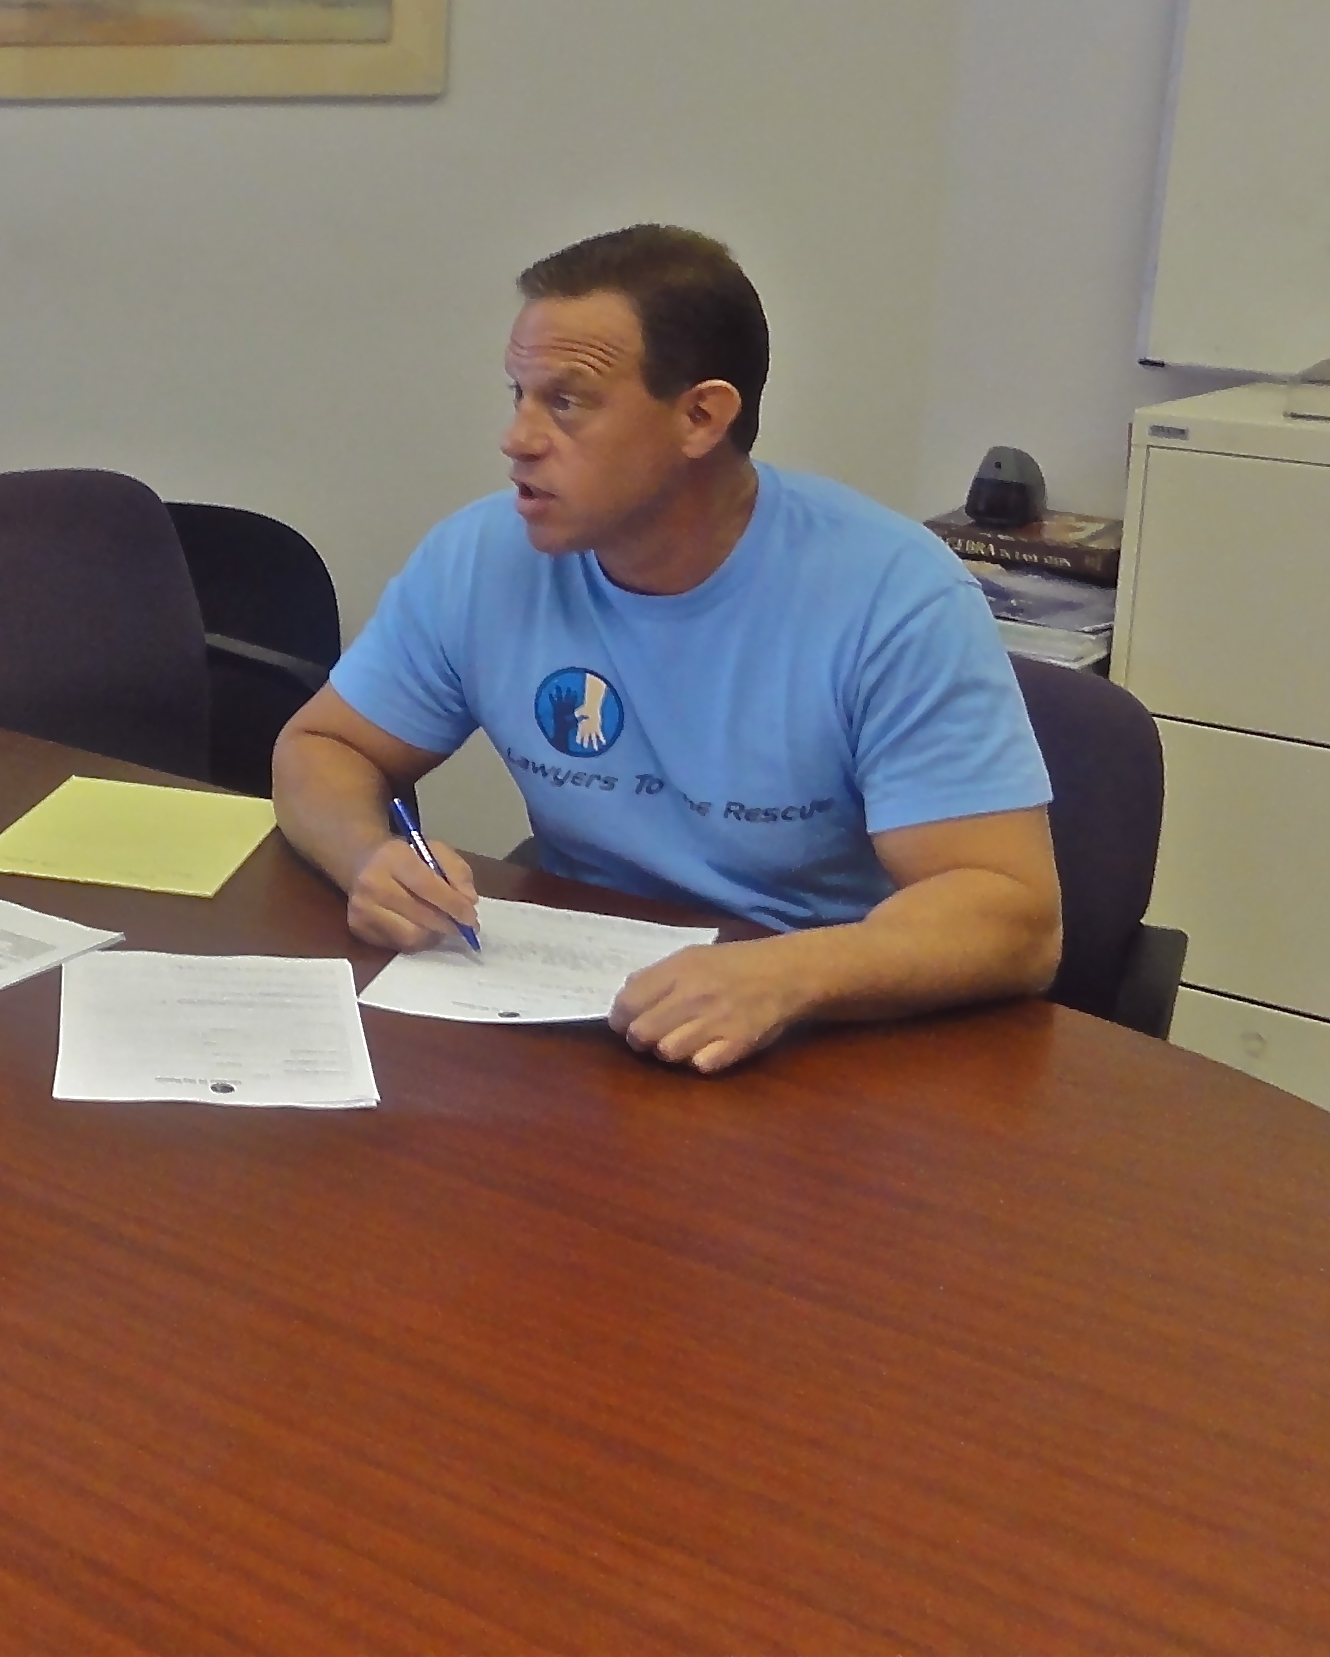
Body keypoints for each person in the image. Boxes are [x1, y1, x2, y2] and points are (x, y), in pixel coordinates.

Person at [273, 225, 1061, 1075]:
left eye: (566, 402)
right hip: (583, 1010)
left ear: (700, 416)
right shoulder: (483, 558)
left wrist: (787, 975)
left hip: (817, 1029)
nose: (518, 438)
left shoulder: (891, 594)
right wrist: (371, 859)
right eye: (518, 394)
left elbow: (1012, 915)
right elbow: (324, 747)